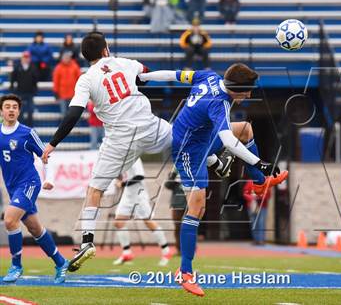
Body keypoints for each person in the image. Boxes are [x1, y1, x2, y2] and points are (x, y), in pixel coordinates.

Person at [41, 31, 231, 273]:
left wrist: (53, 143)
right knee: (183, 137)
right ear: (105, 50)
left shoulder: (85, 79)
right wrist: (133, 81)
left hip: (120, 139)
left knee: (95, 190)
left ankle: (87, 241)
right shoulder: (123, 62)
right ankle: (215, 161)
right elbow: (145, 74)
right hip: (148, 126)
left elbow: (74, 113)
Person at [139, 63, 289, 296]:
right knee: (197, 207)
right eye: (247, 90)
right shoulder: (219, 102)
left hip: (202, 139)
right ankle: (185, 272)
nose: (249, 95)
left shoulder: (208, 76)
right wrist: (259, 161)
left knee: (246, 129)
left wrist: (145, 77)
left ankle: (259, 183)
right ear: (235, 88)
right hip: (187, 149)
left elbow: (173, 75)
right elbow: (228, 141)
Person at [0, 94, 69, 284]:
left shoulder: (27, 133)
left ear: (19, 111)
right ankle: (61, 262)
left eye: (15, 106)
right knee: (34, 228)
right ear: (1, 111)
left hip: (29, 183)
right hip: (12, 187)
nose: (11, 109)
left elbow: (46, 155)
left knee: (9, 220)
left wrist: (50, 179)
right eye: (7, 106)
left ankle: (16, 266)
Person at [112, 159, 172, 266]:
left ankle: (166, 251)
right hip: (128, 195)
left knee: (148, 222)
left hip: (139, 195)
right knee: (118, 222)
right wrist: (118, 178)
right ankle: (127, 253)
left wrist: (123, 183)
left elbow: (139, 176)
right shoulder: (121, 155)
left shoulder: (135, 156)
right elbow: (121, 174)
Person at [9, 51, 38, 127]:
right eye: (24, 57)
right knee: (20, 111)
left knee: (30, 111)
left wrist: (35, 90)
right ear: (22, 58)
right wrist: (12, 87)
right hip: (20, 92)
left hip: (30, 92)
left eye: (27, 57)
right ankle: (20, 126)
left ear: (29, 59)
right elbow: (13, 78)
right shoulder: (17, 67)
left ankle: (30, 127)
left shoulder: (33, 67)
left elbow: (35, 79)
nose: (26, 59)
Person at [164, 167, 187, 254]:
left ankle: (190, 249)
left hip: (189, 203)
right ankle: (179, 249)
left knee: (189, 227)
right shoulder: (176, 173)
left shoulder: (192, 170)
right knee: (177, 227)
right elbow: (167, 185)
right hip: (177, 203)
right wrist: (173, 175)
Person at [53, 52, 81, 118]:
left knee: (73, 114)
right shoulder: (58, 68)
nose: (66, 59)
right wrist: (56, 92)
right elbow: (56, 81)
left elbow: (79, 79)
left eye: (67, 58)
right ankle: (65, 128)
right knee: (64, 114)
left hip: (73, 94)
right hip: (62, 94)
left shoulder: (75, 66)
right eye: (65, 58)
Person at [243, 179, 271, 245]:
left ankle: (261, 240)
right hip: (252, 206)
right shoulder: (249, 182)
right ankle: (255, 240)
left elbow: (268, 195)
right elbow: (245, 193)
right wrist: (252, 198)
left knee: (261, 223)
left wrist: (260, 197)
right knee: (253, 223)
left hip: (262, 206)